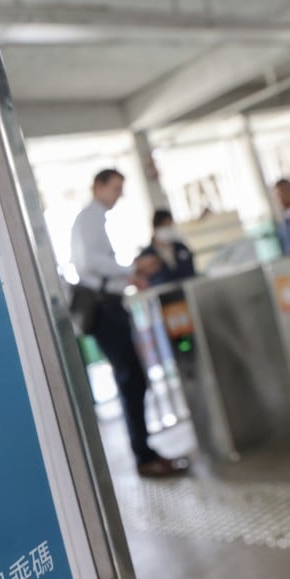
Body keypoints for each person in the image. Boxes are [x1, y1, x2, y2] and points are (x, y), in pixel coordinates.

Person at [70, 169, 188, 479]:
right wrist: (131, 268)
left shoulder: (95, 220)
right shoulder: (89, 219)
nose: (118, 195)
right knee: (131, 377)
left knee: (133, 377)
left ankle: (145, 451)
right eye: (115, 188)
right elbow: (90, 264)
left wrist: (127, 277)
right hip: (105, 310)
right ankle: (143, 456)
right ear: (98, 186)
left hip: (111, 304)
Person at [134, 209, 195, 288]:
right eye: (165, 225)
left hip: (187, 291)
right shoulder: (146, 255)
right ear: (156, 227)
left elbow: (190, 271)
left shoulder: (181, 247)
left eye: (170, 225)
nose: (168, 228)